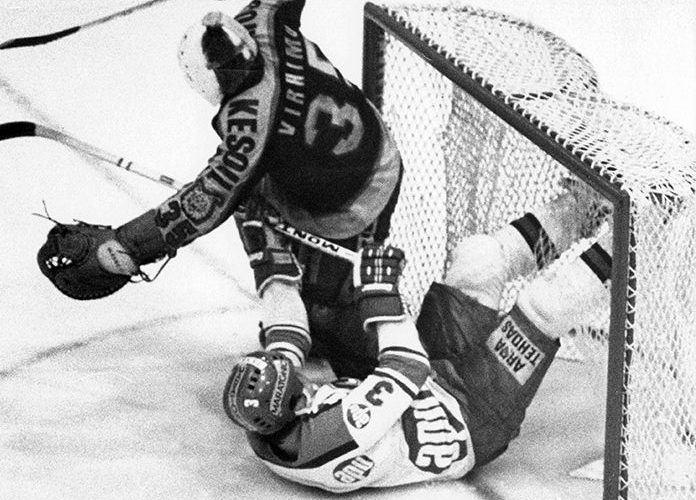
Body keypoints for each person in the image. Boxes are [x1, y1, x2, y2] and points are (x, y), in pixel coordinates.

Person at [35, 0, 403, 369]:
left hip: (359, 193)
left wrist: (129, 244)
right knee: (255, 202)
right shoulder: (263, 20)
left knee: (332, 318)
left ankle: (364, 352)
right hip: (357, 148)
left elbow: (204, 202)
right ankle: (295, 293)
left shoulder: (250, 127)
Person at [221, 195, 613, 492]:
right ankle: (628, 238)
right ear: (294, 403)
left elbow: (285, 338)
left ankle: (586, 204)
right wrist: (379, 293)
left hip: (430, 379)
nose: (302, 375)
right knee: (542, 307)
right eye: (296, 380)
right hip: (471, 417)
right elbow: (407, 366)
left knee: (479, 259)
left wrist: (268, 260)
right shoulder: (333, 433)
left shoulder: (270, 416)